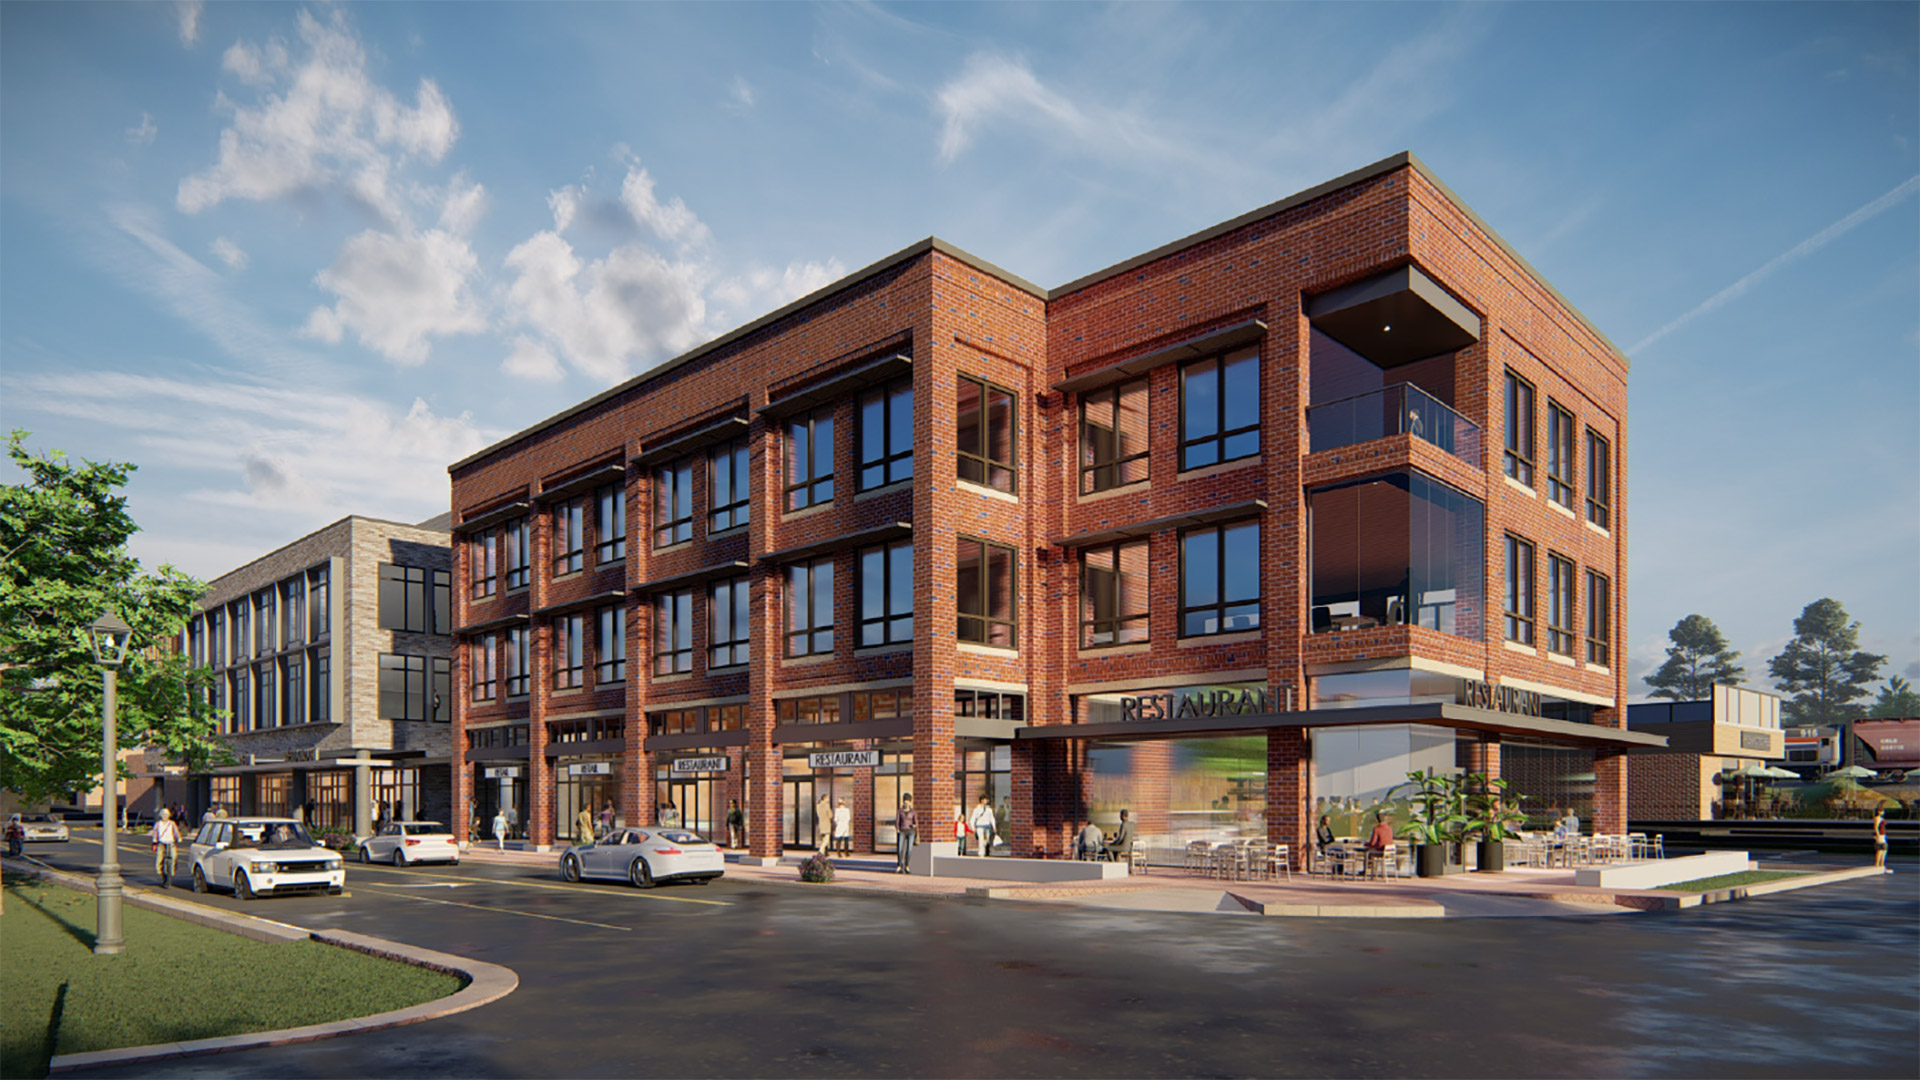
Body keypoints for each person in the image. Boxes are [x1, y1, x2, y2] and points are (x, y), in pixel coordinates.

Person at [151, 808, 181, 887]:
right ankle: (161, 872)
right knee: (159, 859)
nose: (165, 816)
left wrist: (179, 838)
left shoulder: (172, 823)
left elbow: (176, 832)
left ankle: (172, 872)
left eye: (166, 814)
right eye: (163, 814)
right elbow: (155, 833)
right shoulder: (158, 824)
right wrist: (154, 840)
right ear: (161, 815)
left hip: (171, 842)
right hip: (161, 842)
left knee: (174, 857)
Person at [895, 795, 918, 874]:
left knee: (909, 849)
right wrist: (897, 829)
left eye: (907, 802)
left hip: (910, 831)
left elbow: (916, 822)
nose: (906, 804)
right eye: (905, 802)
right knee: (900, 849)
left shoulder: (913, 812)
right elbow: (897, 821)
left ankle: (907, 865)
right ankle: (899, 865)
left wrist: (914, 825)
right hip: (902, 831)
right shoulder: (900, 811)